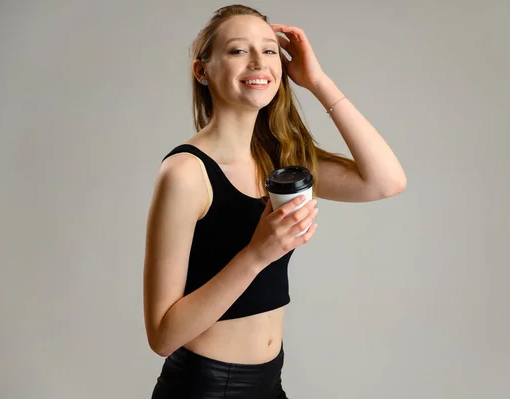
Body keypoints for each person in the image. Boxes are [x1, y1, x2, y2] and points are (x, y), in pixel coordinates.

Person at [143, 4, 407, 398]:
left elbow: (385, 181)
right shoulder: (185, 174)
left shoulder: (280, 159)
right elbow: (163, 336)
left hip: (270, 384)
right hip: (205, 388)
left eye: (269, 50)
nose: (258, 62)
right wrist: (257, 253)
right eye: (237, 51)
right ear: (203, 71)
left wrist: (317, 81)